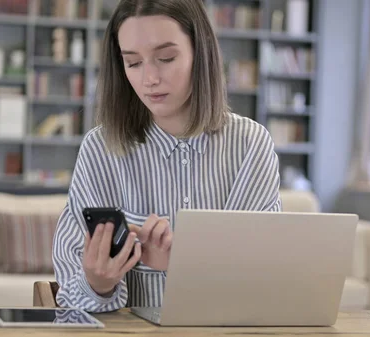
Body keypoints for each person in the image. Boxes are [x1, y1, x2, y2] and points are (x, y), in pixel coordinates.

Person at [52, 0, 282, 313]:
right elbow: (68, 298)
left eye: (166, 58)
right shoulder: (100, 149)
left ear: (200, 54)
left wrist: (180, 265)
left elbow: (261, 282)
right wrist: (98, 284)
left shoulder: (250, 145)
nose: (149, 79)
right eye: (133, 63)